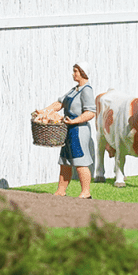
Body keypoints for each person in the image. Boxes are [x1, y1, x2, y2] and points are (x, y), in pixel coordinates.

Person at [44, 61, 97, 198]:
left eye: (75, 71)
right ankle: (61, 190)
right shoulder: (74, 90)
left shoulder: (86, 90)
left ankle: (86, 192)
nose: (73, 74)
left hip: (79, 130)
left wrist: (74, 121)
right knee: (65, 161)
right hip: (67, 129)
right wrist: (45, 111)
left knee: (80, 161)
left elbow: (90, 112)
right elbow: (60, 103)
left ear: (83, 73)